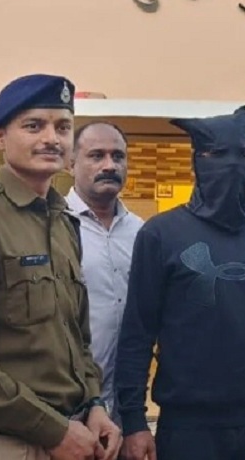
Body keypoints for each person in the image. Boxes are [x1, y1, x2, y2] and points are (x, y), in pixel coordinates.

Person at [0, 74, 121, 460]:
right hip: (6, 443)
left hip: (75, 436)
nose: (52, 138)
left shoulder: (64, 222)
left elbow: (78, 340)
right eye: (34, 126)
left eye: (62, 127)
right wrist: (53, 430)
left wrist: (95, 404)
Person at [115, 106, 245, 460]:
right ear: (198, 161)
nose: (234, 166)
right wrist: (133, 420)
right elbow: (137, 333)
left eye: (244, 156)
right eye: (219, 155)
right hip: (188, 422)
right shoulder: (160, 235)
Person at [66, 121, 144, 426]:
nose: (109, 165)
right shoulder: (52, 225)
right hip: (68, 405)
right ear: (71, 164)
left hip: (126, 407)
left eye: (118, 156)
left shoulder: (141, 233)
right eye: (96, 156)